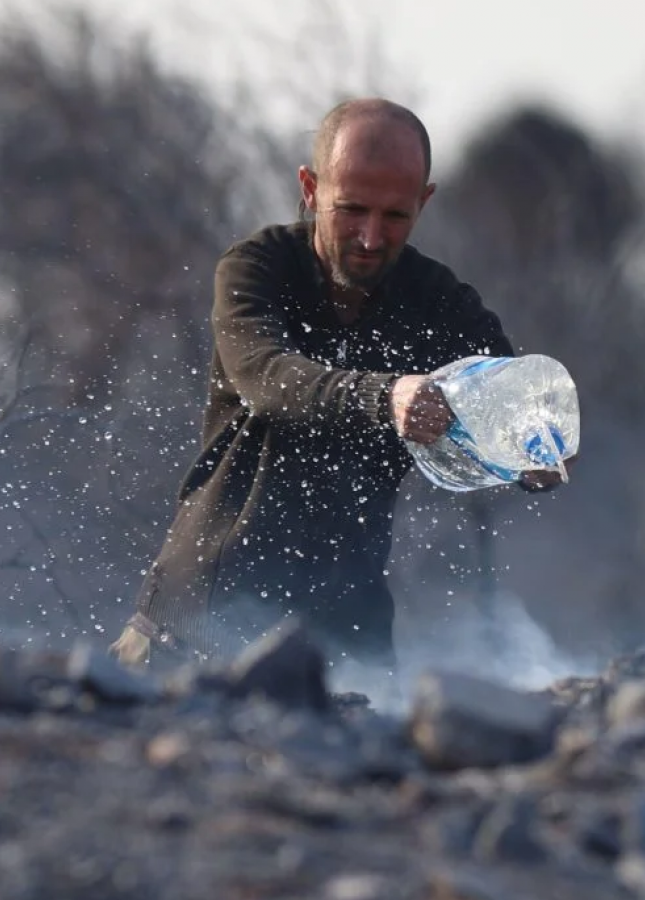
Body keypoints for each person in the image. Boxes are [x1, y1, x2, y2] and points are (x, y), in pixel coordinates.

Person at [111, 97, 569, 672]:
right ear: (311, 188)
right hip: (197, 620)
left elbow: (516, 400)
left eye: (395, 216)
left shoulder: (439, 301)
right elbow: (268, 377)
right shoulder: (257, 269)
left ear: (423, 203)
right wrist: (387, 397)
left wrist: (535, 452)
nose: (372, 238)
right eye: (351, 210)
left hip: (347, 636)